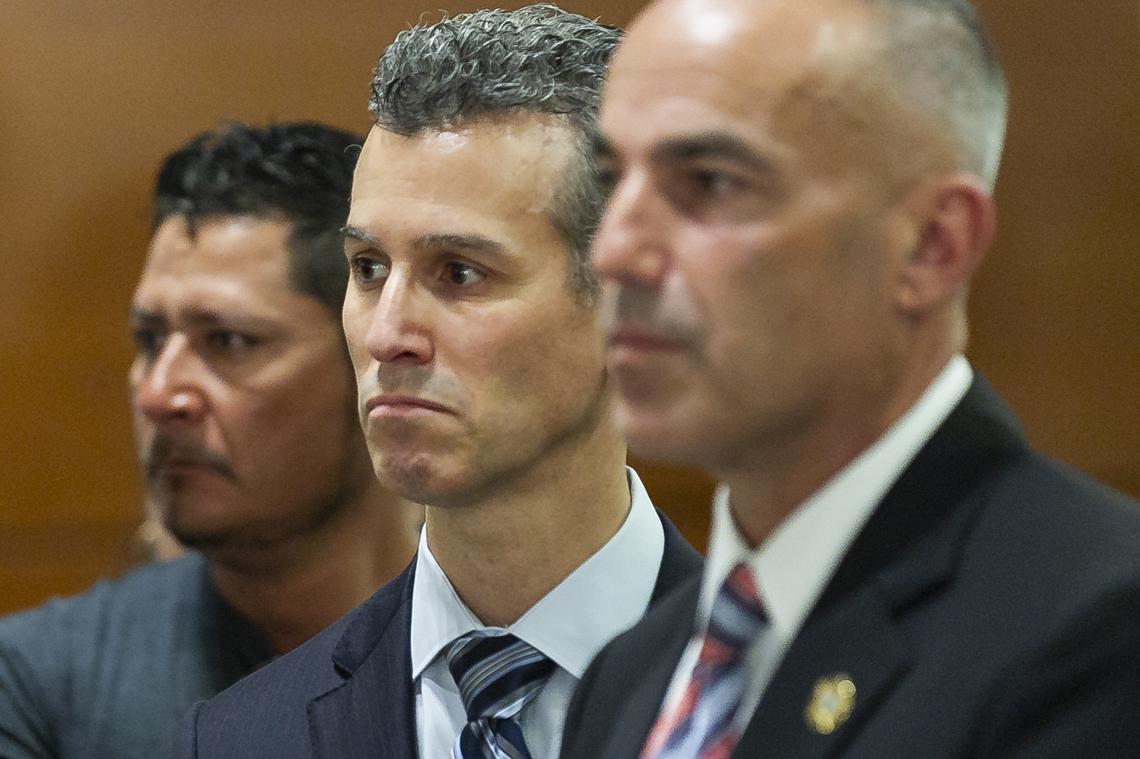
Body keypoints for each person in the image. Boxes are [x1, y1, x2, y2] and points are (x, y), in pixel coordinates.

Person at [560, 0, 1140, 756]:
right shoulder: (629, 674)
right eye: (612, 181)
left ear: (932, 246)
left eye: (709, 182)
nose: (615, 252)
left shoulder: (1100, 632)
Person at [174, 7, 703, 759]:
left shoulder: (788, 689)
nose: (388, 334)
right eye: (368, 269)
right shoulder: (241, 738)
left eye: (459, 272)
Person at [0, 122, 420, 759]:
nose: (158, 395)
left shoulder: (500, 663)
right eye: (149, 341)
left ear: (372, 360)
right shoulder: (39, 682)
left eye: (227, 342)